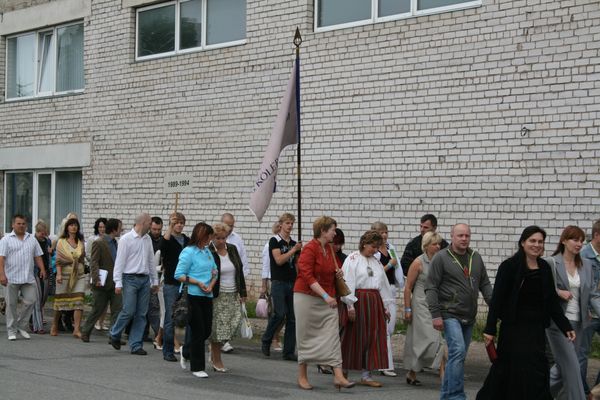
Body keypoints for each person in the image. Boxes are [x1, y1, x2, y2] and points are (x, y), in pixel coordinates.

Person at [476, 226, 575, 399]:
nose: (536, 245)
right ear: (523, 243)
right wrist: (490, 329)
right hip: (513, 330)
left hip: (536, 331)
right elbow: (497, 300)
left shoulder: (544, 267)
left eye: (540, 242)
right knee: (510, 372)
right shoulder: (509, 267)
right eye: (532, 241)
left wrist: (565, 326)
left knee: (536, 371)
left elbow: (551, 301)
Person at [425, 223, 492, 400]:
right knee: (458, 351)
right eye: (460, 236)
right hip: (449, 313)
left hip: (469, 315)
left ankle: (447, 395)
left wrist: (495, 307)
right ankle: (456, 396)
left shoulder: (476, 257)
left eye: (467, 236)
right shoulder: (441, 258)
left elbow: (484, 284)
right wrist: (436, 314)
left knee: (458, 356)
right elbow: (430, 286)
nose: (464, 239)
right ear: (452, 237)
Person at [294, 216, 356, 391]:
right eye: (332, 230)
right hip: (306, 297)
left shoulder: (329, 248)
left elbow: (334, 269)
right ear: (323, 231)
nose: (335, 233)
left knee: (332, 335)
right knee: (305, 336)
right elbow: (306, 275)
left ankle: (338, 376)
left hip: (328, 298)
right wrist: (325, 296)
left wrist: (338, 275)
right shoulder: (309, 249)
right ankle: (302, 376)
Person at [340, 230, 394, 388]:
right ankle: (343, 372)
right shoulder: (353, 259)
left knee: (373, 338)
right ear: (364, 243)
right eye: (373, 246)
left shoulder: (376, 262)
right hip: (358, 302)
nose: (375, 250)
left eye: (377, 247)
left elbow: (382, 284)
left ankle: (367, 375)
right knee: (353, 337)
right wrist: (349, 305)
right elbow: (347, 282)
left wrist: (385, 306)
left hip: (374, 302)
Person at [545, 225, 592, 400]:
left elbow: (592, 292)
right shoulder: (551, 262)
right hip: (558, 323)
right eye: (575, 239)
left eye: (582, 240)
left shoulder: (586, 265)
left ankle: (537, 394)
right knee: (573, 366)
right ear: (564, 240)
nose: (579, 243)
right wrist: (559, 292)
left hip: (579, 322)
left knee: (561, 367)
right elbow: (545, 290)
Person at [109, 213, 159, 355]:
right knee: (129, 310)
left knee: (142, 314)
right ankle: (115, 333)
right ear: (142, 223)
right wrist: (117, 282)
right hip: (129, 278)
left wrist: (154, 280)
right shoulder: (126, 239)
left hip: (144, 279)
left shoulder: (147, 239)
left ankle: (136, 345)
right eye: (150, 223)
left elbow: (151, 261)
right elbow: (120, 262)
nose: (151, 226)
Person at [174, 222, 218, 378]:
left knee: (206, 330)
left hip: (207, 295)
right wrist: (198, 282)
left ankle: (186, 351)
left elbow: (215, 272)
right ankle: (197, 366)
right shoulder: (188, 252)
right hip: (192, 295)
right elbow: (178, 274)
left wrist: (211, 284)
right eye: (208, 237)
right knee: (198, 330)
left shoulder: (207, 252)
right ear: (201, 236)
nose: (210, 240)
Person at [403, 231, 446, 385]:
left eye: (439, 243)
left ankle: (441, 373)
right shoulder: (418, 262)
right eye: (435, 244)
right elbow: (408, 287)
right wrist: (407, 309)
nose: (438, 246)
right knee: (424, 340)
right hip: (420, 304)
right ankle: (413, 370)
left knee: (440, 339)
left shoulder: (441, 261)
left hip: (436, 305)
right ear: (426, 246)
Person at [261, 212, 302, 361]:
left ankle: (289, 350)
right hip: (278, 281)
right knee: (280, 313)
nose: (290, 226)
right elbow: (278, 260)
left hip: (292, 281)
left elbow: (297, 264)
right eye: (287, 223)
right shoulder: (275, 241)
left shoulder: (293, 243)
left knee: (292, 317)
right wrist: (293, 250)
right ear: (281, 225)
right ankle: (266, 339)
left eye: (292, 223)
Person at [0, 214, 46, 340]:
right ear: (13, 225)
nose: (21, 226)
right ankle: (11, 330)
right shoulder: (6, 240)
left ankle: (21, 325)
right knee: (11, 305)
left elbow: (37, 256)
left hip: (28, 277)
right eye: (18, 223)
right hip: (11, 278)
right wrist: (2, 274)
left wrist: (42, 269)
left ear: (26, 225)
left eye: (23, 224)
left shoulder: (31, 239)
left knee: (32, 300)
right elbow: (1, 258)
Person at [208, 223, 247, 372]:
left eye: (223, 238)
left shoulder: (232, 249)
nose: (221, 241)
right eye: (218, 238)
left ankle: (213, 349)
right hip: (217, 295)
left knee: (233, 324)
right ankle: (217, 359)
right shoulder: (209, 252)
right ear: (212, 238)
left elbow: (240, 270)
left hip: (232, 293)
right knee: (219, 329)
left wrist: (242, 292)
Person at [80, 219, 123, 343]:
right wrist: (96, 279)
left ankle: (114, 336)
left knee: (117, 309)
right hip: (102, 282)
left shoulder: (116, 243)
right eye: (120, 228)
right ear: (114, 229)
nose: (122, 230)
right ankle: (86, 331)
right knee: (98, 308)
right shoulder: (99, 242)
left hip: (115, 282)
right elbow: (94, 262)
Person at [371, 221, 403, 377]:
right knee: (384, 329)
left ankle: (377, 359)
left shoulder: (391, 249)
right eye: (381, 232)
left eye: (386, 232)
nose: (384, 235)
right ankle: (385, 364)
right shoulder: (373, 252)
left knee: (390, 328)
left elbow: (398, 267)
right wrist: (390, 264)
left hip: (391, 289)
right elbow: (376, 274)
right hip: (379, 291)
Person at [160, 212, 189, 361]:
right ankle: (168, 350)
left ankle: (187, 348)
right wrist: (169, 227)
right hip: (171, 282)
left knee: (185, 315)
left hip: (185, 282)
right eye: (176, 222)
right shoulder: (167, 239)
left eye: (181, 222)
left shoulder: (187, 240)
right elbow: (163, 247)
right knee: (170, 316)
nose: (179, 225)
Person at [52, 217, 87, 338]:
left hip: (79, 275)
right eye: (71, 225)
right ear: (67, 227)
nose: (74, 227)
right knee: (60, 302)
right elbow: (58, 261)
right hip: (65, 275)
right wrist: (59, 274)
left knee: (79, 301)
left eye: (76, 225)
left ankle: (76, 329)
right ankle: (54, 325)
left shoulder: (80, 242)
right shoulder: (61, 242)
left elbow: (82, 259)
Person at [221, 212, 248, 354]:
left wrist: (242, 288)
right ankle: (222, 341)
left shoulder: (237, 239)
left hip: (234, 282)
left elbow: (242, 262)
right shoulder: (216, 238)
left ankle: (224, 338)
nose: (230, 228)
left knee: (232, 313)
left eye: (232, 225)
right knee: (222, 313)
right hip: (220, 283)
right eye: (227, 225)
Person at [581, 219, 600, 395]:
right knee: (582, 354)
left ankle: (597, 389)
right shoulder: (584, 255)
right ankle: (583, 391)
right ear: (596, 235)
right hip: (588, 313)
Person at [259, 222, 284, 352]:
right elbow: (265, 266)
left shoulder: (286, 244)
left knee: (283, 314)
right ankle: (274, 339)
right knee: (275, 312)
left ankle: (275, 337)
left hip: (283, 281)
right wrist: (263, 286)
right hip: (271, 280)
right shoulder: (270, 244)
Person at [86, 218, 108, 331]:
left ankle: (102, 322)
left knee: (106, 299)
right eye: (100, 227)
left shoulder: (109, 239)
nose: (102, 229)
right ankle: (94, 322)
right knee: (97, 298)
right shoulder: (92, 239)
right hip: (96, 271)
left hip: (107, 272)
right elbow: (88, 255)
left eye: (104, 227)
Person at [31, 220, 51, 334]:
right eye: (41, 233)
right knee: (37, 299)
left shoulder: (47, 241)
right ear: (37, 232)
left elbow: (49, 256)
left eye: (45, 233)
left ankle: (31, 318)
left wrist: (51, 251)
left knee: (43, 298)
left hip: (46, 271)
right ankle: (37, 326)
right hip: (36, 272)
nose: (43, 235)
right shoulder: (32, 241)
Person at [148, 216, 165, 350]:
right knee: (149, 307)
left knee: (155, 307)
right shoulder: (146, 240)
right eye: (154, 229)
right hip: (147, 275)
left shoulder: (163, 241)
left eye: (159, 229)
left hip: (160, 277)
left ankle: (158, 333)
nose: (156, 232)